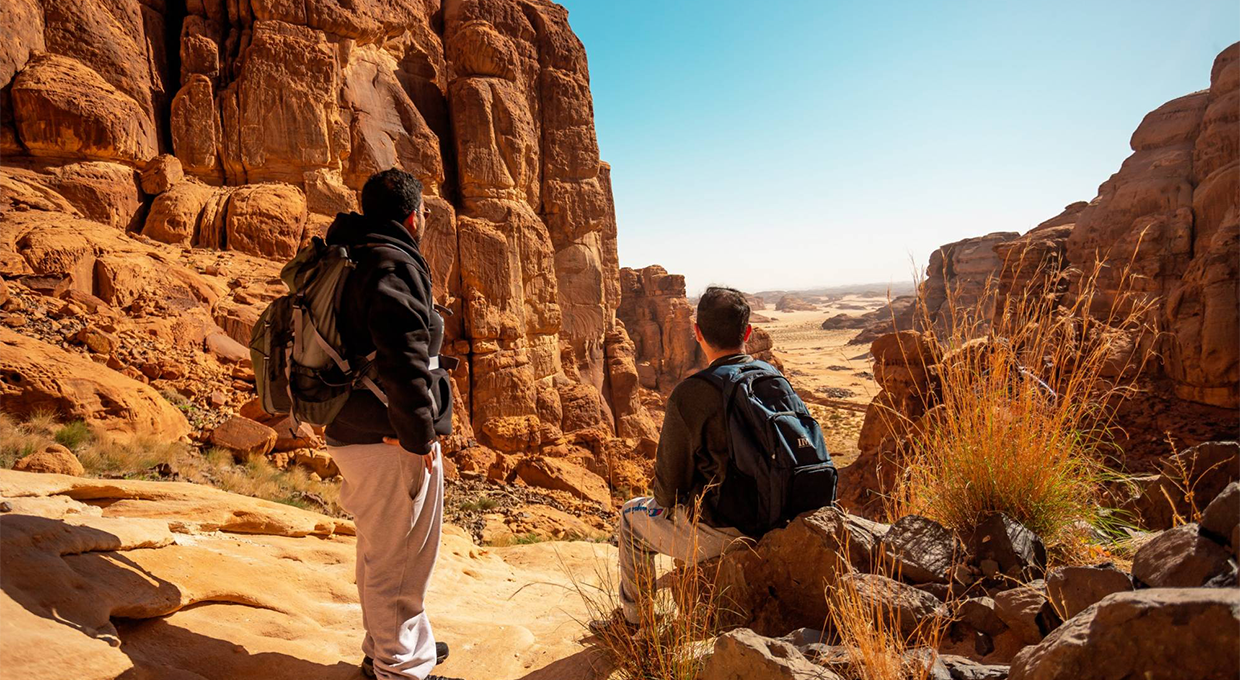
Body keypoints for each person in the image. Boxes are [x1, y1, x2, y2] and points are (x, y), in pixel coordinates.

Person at [323, 169, 461, 680]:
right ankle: (401, 668)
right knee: (400, 561)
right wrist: (419, 435)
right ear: (412, 214)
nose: (424, 218)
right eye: (423, 211)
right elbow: (403, 358)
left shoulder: (353, 251)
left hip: (352, 426)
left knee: (380, 551)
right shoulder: (391, 262)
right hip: (386, 435)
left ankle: (389, 644)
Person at [608, 286, 764, 631]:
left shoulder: (693, 393)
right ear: (747, 333)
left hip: (733, 530)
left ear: (698, 334)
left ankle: (637, 624)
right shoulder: (774, 380)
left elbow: (665, 494)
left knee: (632, 517)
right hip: (784, 519)